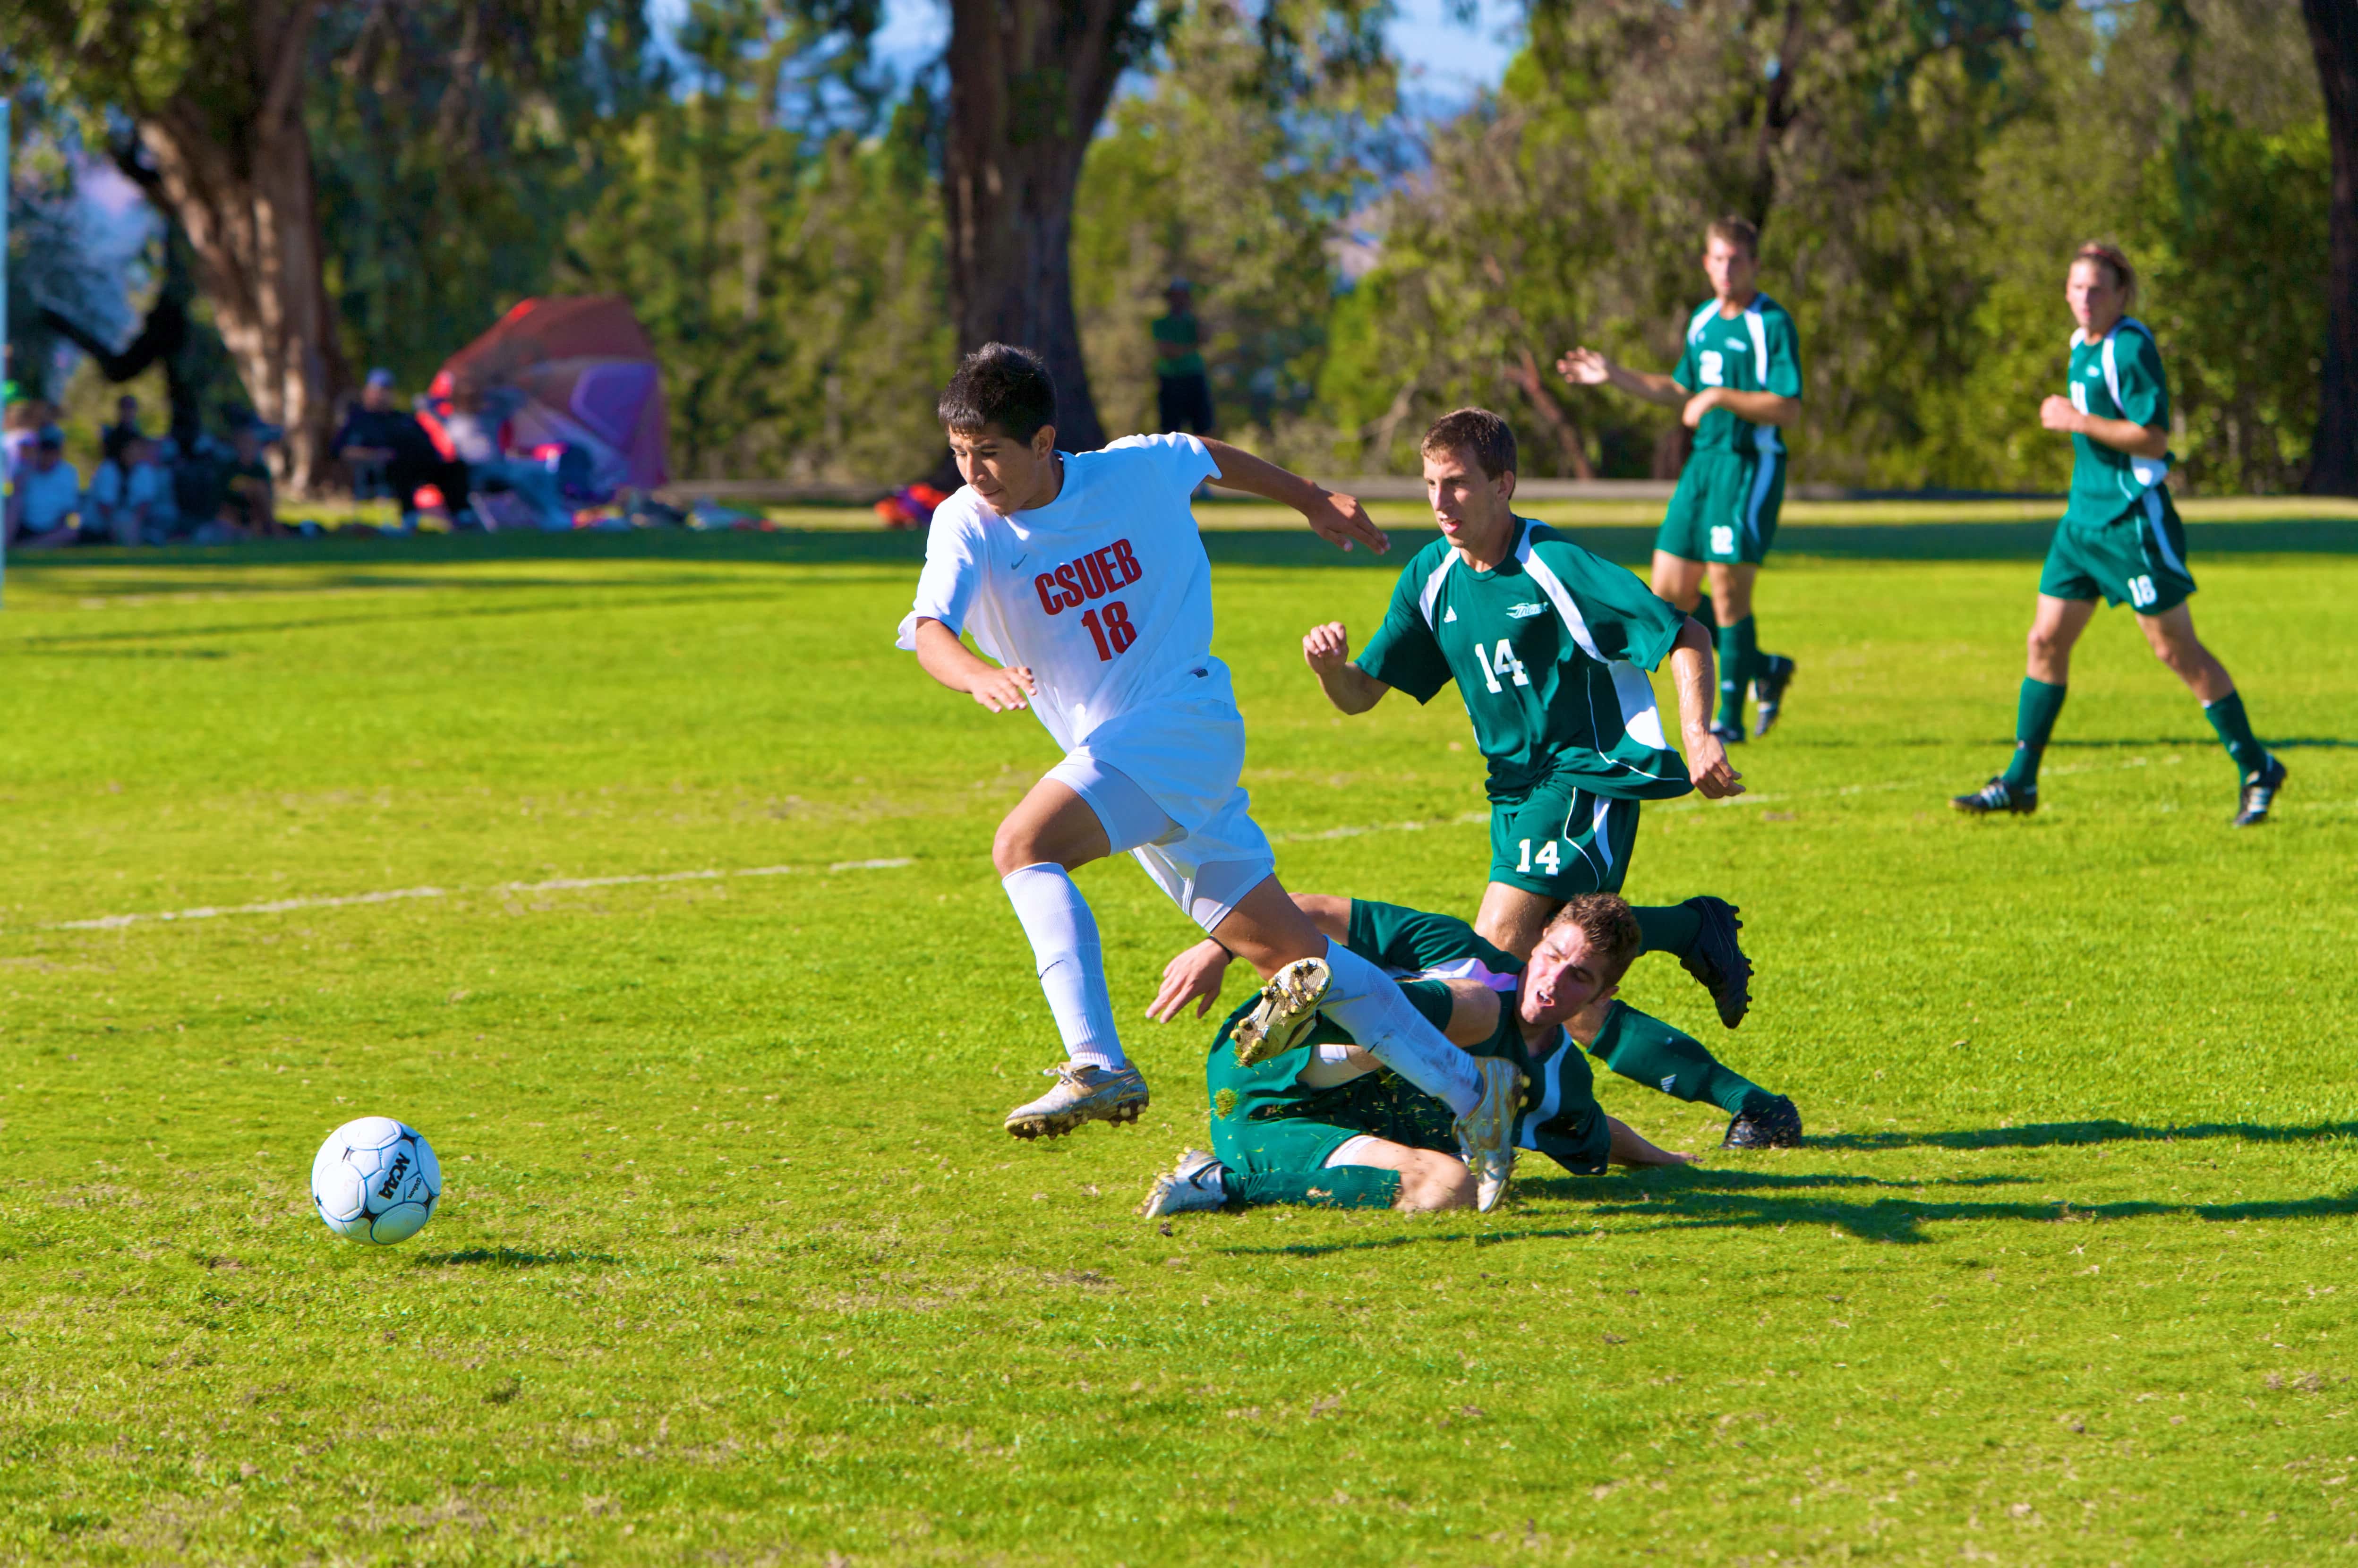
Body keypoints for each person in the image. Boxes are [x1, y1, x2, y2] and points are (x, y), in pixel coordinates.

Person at [898, 343, 1527, 1208]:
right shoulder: (964, 521)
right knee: (1293, 958)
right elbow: (930, 626)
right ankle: (1472, 1090)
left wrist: (1311, 498)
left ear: (1045, 442)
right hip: (1124, 752)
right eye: (959, 455)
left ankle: (1096, 1063)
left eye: (990, 454)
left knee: (1022, 845)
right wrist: (975, 673)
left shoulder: (1131, 473)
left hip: (1179, 723)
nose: (974, 473)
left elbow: (1205, 456)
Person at [1298, 407, 1802, 1148]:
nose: (1442, 503)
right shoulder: (1431, 577)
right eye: (1432, 485)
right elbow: (1363, 695)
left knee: (1497, 960)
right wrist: (1331, 672)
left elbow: (1686, 632)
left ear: (1504, 485)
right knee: (1568, 998)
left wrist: (1698, 736)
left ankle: (1459, 1123)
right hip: (1513, 797)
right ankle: (1755, 1101)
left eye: (1460, 485)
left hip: (1584, 783)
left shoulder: (1553, 565)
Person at [1951, 243, 2284, 827]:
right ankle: (2020, 782)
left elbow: (2153, 439)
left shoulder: (2130, 348)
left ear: (2122, 295)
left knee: (2174, 649)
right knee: (2044, 641)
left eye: (2098, 288)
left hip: (2131, 522)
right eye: (2077, 287)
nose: (2085, 298)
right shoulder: (2081, 346)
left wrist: (2077, 421)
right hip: (2081, 524)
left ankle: (2257, 765)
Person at [1142, 893, 1696, 1217]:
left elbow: (1597, 1129)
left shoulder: (1556, 1079)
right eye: (1552, 956)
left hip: (1282, 1133)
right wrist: (1216, 947)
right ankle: (1306, 1015)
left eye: (1579, 978)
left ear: (1603, 996)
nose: (1552, 981)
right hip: (1264, 1059)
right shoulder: (1459, 953)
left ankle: (1213, 1185)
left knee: (1450, 1188)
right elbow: (1315, 909)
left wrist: (1674, 1162)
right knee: (1480, 1006)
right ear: (1539, 940)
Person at [1557, 216, 1803, 743]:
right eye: (1717, 258)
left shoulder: (1771, 323)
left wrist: (1719, 397)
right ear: (1705, 263)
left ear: (1755, 264)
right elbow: (1678, 387)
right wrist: (1615, 375)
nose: (1725, 269)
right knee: (1669, 593)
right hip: (1702, 467)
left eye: (1736, 259)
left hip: (1747, 465)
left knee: (1728, 588)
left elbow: (1788, 407)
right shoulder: (1702, 321)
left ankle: (1728, 718)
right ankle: (1762, 666)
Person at [333, 369, 469, 529]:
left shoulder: (403, 418)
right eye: (378, 391)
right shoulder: (359, 421)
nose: (382, 396)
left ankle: (463, 516)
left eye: (387, 391)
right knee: (401, 465)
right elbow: (341, 450)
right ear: (367, 393)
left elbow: (427, 442)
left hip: (422, 464)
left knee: (455, 466)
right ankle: (410, 518)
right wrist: (375, 455)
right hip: (382, 470)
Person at [85, 434, 176, 546]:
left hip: (133, 524)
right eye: (131, 449)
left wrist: (134, 525)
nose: (135, 453)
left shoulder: (144, 470)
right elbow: (105, 506)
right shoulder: (108, 469)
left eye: (138, 449)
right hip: (102, 525)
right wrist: (115, 526)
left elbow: (144, 503)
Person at [1151, 280, 1214, 436]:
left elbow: (1205, 339)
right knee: (1171, 429)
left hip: (1194, 376)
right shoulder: (1161, 324)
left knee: (1203, 427)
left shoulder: (1193, 322)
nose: (1179, 301)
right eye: (1176, 297)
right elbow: (1167, 351)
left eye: (1183, 297)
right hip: (1171, 379)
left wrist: (1196, 318)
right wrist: (1189, 348)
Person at [4, 426, 84, 549]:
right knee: (14, 504)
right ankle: (7, 545)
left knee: (70, 532)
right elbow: (15, 495)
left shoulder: (68, 473)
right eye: (44, 451)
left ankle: (28, 547)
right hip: (24, 526)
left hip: (51, 528)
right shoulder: (26, 470)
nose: (47, 456)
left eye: (51, 452)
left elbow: (68, 510)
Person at [218, 422, 281, 537]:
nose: (247, 448)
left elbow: (267, 496)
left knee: (259, 489)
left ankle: (271, 528)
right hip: (232, 515)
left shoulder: (260, 470)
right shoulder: (229, 469)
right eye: (243, 444)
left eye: (250, 444)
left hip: (255, 514)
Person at [100, 394, 144, 468]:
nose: (128, 411)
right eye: (125, 407)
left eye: (131, 407)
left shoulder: (139, 438)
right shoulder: (111, 435)